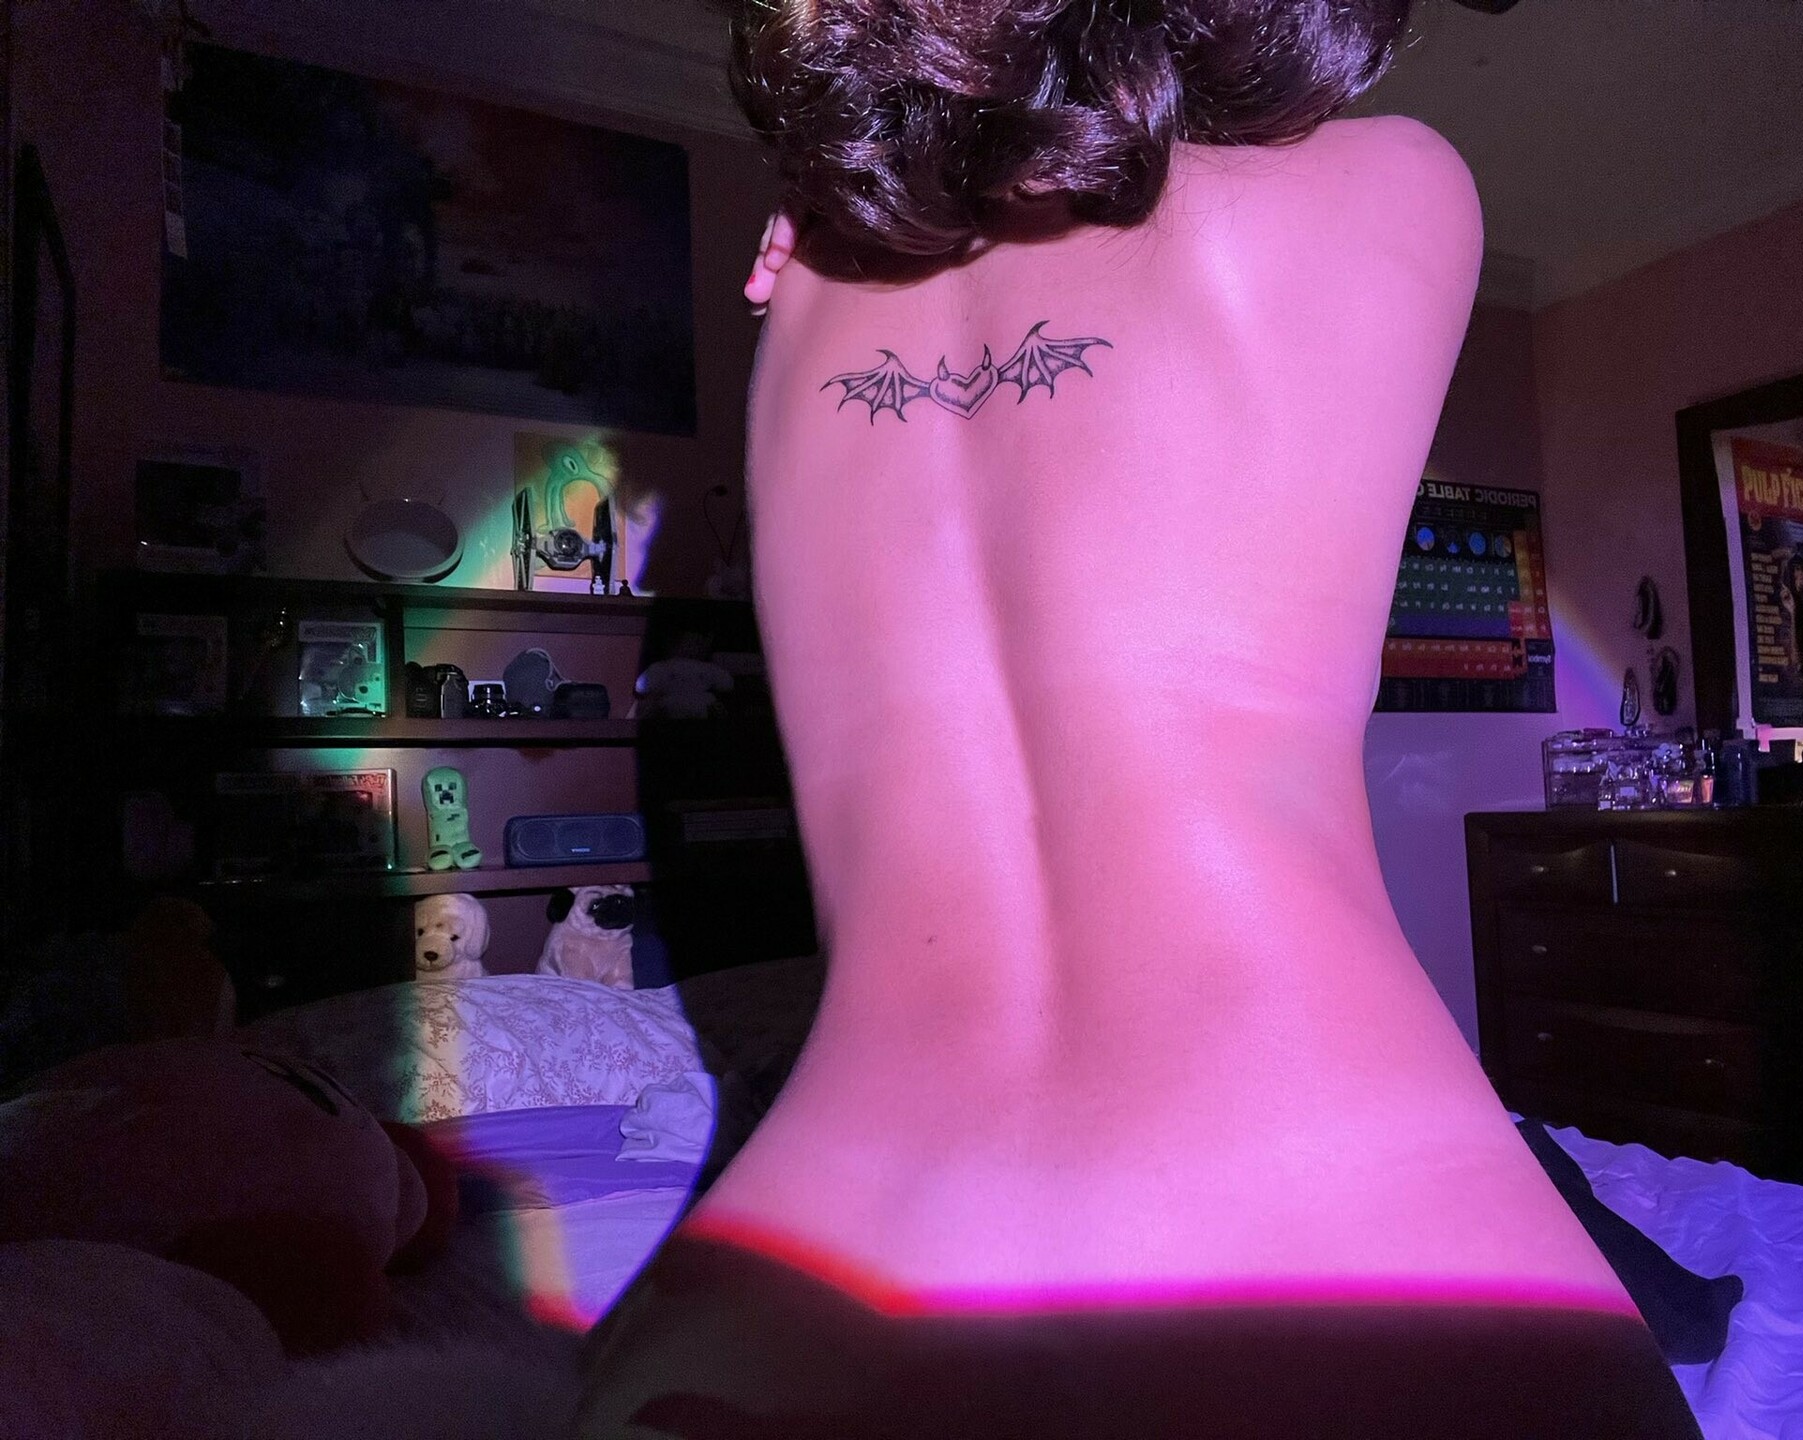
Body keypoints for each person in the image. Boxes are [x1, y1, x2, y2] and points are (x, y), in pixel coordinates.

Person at [575, 2, 1703, 1435]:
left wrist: (846, 187)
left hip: (796, 1273)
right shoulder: (1395, 179)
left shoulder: (798, 297)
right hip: (1338, 1214)